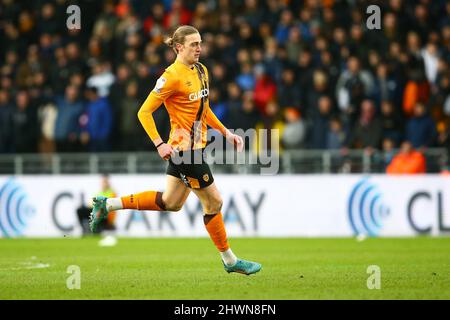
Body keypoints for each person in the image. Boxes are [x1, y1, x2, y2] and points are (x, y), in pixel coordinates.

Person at [89, 25, 261, 275]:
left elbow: (204, 110)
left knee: (171, 202)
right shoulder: (170, 77)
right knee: (214, 201)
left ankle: (109, 204)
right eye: (193, 44)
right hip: (184, 151)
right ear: (179, 47)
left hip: (196, 148)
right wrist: (159, 143)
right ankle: (230, 261)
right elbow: (144, 112)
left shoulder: (202, 70)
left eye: (200, 43)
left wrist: (226, 132)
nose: (199, 48)